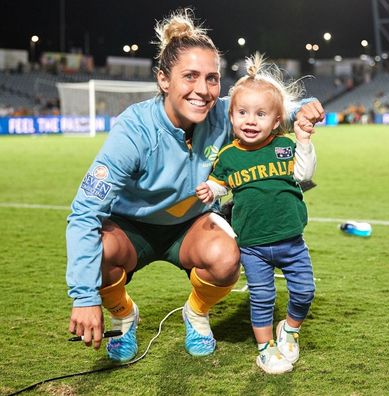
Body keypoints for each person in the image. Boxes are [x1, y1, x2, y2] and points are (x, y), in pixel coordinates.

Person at [66, 9, 324, 363]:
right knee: (98, 253)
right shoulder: (133, 131)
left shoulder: (222, 114)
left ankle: (196, 313)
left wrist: (303, 110)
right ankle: (124, 316)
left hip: (191, 226)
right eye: (190, 77)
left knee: (227, 255)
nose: (203, 90)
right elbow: (83, 212)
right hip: (131, 229)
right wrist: (83, 297)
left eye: (212, 78)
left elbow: (265, 110)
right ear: (163, 80)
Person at [196, 53, 317, 374]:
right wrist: (211, 189)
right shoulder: (229, 155)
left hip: (292, 240)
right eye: (242, 113)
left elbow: (304, 175)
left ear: (276, 121)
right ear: (232, 117)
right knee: (261, 298)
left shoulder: (284, 146)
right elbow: (220, 183)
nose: (251, 120)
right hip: (253, 246)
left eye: (261, 114)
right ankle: (265, 349)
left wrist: (303, 141)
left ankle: (289, 330)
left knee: (305, 291)